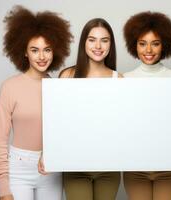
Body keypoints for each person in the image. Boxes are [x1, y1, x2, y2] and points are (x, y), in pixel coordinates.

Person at [0, 5, 73, 200]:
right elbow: (0, 141)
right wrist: (4, 187)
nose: (42, 56)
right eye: (35, 50)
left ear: (55, 51)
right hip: (18, 168)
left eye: (47, 49)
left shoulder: (58, 89)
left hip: (51, 167)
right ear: (25, 52)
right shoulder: (9, 87)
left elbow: (65, 133)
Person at [39, 18, 122, 200]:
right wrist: (48, 153)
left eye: (104, 40)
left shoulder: (119, 79)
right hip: (75, 165)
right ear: (84, 42)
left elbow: (122, 126)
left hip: (109, 167)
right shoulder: (67, 76)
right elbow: (56, 121)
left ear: (111, 44)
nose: (98, 46)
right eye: (92, 39)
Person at [122, 11, 171, 200]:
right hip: (135, 168)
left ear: (164, 45)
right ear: (134, 45)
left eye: (155, 43)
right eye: (142, 43)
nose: (148, 50)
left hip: (168, 168)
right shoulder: (125, 79)